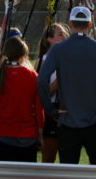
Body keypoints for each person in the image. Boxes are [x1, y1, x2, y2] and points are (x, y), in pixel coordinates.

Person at [38, 6, 96, 165]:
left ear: (70, 23)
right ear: (90, 25)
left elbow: (41, 80)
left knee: (69, 170)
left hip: (67, 120)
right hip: (95, 120)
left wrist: (51, 110)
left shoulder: (58, 49)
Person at [0, 36, 44, 162]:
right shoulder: (33, 76)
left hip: (1, 134)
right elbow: (39, 109)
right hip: (27, 136)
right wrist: (40, 133)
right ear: (23, 55)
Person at [35, 23, 69, 163]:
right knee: (48, 158)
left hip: (69, 112)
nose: (65, 37)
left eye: (65, 33)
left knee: (68, 160)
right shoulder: (42, 61)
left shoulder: (69, 58)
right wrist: (60, 79)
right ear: (50, 39)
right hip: (51, 114)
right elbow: (42, 94)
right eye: (60, 34)